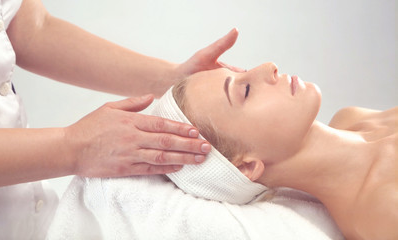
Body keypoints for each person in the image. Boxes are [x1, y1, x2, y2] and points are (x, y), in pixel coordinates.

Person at [0, 0, 243, 238]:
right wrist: (74, 147)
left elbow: (32, 28)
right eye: (247, 91)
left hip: (26, 213)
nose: (271, 70)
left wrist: (171, 79)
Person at [163, 62, 397, 240]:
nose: (268, 67)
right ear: (247, 166)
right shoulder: (382, 212)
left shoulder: (352, 118)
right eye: (245, 90)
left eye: (242, 71)